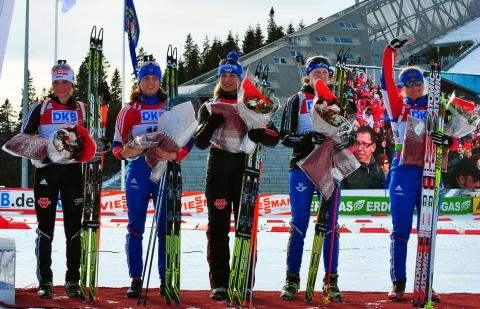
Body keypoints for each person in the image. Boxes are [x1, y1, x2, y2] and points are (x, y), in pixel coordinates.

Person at [194, 51, 280, 300]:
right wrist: (212, 122)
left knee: (246, 228)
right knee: (218, 229)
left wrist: (257, 133)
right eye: (224, 75)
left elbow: (274, 137)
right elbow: (199, 142)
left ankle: (245, 280)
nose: (228, 79)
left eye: (233, 75)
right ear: (219, 79)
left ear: (240, 78)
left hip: (246, 171)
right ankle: (220, 282)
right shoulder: (209, 106)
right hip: (218, 170)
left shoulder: (252, 102)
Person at [381, 37, 458, 302]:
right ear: (402, 88)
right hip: (403, 169)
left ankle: (426, 282)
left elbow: (453, 136)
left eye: (417, 81)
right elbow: (386, 80)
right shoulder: (397, 105)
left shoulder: (438, 104)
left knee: (428, 230)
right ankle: (399, 281)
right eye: (408, 83)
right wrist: (390, 51)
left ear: (424, 83)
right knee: (400, 228)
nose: (413, 86)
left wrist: (449, 141)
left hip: (431, 169)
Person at [112, 59, 194, 298]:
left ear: (160, 81)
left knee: (165, 228)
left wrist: (174, 155)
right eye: (146, 78)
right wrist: (128, 151)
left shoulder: (170, 106)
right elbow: (117, 146)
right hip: (139, 170)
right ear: (139, 82)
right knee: (135, 225)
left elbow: (189, 138)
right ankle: (136, 279)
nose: (150, 82)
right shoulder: (129, 109)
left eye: (154, 78)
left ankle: (165, 277)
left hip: (164, 168)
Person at [279, 56, 351, 301]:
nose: (320, 75)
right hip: (301, 166)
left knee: (331, 224)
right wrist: (310, 138)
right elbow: (285, 137)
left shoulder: (339, 101)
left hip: (330, 167)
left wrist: (340, 140)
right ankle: (292, 279)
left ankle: (331, 281)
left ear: (330, 77)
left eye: (324, 72)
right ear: (307, 76)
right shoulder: (296, 100)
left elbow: (349, 136)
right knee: (299, 222)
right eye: (315, 72)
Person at [21, 61, 88, 299]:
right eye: (57, 82)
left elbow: (93, 140)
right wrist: (38, 158)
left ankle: (72, 280)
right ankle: (46, 281)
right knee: (45, 229)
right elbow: (24, 138)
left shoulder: (82, 108)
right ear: (52, 84)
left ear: (72, 83)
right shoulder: (40, 108)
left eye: (65, 81)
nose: (61, 86)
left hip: (72, 174)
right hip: (46, 173)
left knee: (73, 229)